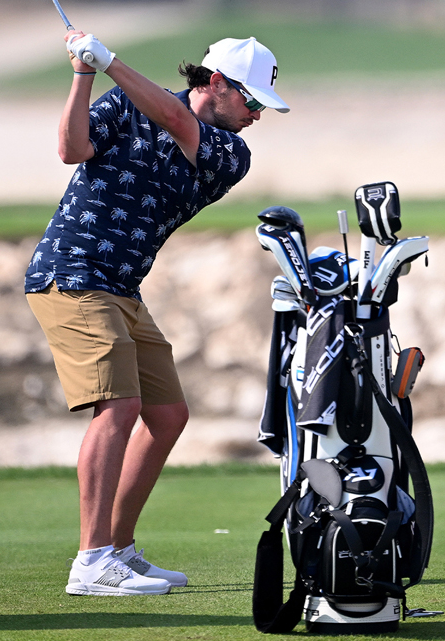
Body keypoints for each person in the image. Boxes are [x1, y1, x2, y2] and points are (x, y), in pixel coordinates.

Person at [24, 30, 289, 596]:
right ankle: (92, 560)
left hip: (122, 286)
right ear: (216, 83)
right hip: (71, 274)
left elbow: (174, 118)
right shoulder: (123, 101)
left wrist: (110, 61)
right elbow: (73, 150)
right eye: (253, 102)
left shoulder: (230, 154)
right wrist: (84, 74)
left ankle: (118, 547)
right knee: (120, 406)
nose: (257, 117)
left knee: (167, 415)